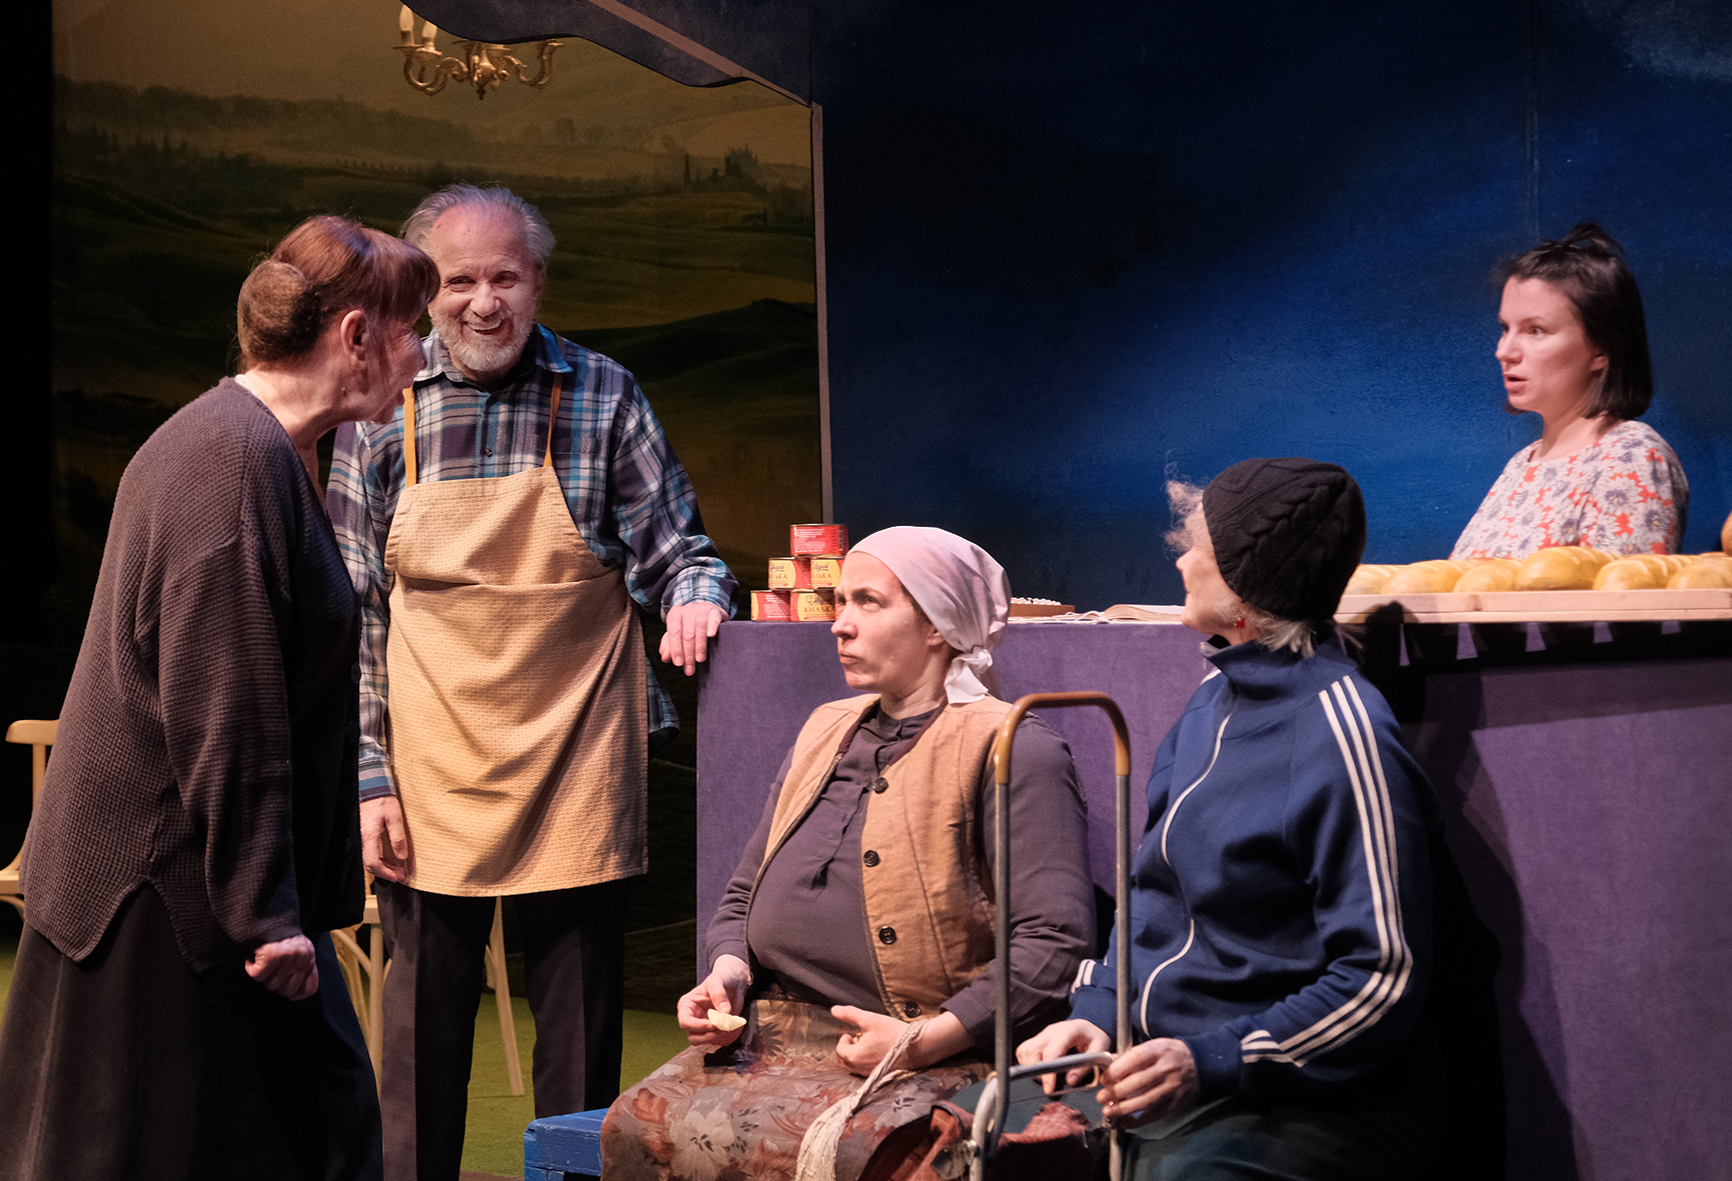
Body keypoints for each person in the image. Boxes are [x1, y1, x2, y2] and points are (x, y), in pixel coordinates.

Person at [0, 216, 438, 1180]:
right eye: (412, 331)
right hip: (161, 897)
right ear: (356, 335)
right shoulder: (229, 461)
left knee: (317, 1130)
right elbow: (225, 713)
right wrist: (266, 916)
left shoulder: (267, 448)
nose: (421, 356)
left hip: (208, 892)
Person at [327, 183, 737, 1180]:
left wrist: (694, 597)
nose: (484, 302)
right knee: (419, 1047)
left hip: (575, 760)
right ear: (424, 293)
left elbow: (681, 552)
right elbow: (352, 614)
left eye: (505, 278)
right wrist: (370, 777)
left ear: (539, 281)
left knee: (580, 1048)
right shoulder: (383, 407)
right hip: (431, 771)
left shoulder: (603, 394)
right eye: (459, 281)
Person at [600, 527, 1095, 1181]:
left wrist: (924, 1040)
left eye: (868, 602)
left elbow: (1053, 944)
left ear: (939, 624)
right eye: (840, 601)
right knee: (634, 1125)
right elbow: (744, 893)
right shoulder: (826, 726)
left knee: (874, 1157)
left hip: (929, 1048)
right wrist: (729, 972)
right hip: (774, 1035)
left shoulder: (1014, 748)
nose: (841, 623)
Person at [1018, 459, 1445, 1180]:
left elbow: (1381, 978)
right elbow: (1153, 894)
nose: (1181, 562)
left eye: (1200, 550)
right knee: (959, 1141)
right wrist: (1097, 1009)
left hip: (1301, 1095)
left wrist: (1213, 1057)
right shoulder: (1210, 702)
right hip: (1163, 1061)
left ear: (1248, 588)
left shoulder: (1346, 734)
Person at [1452, 222, 1688, 558]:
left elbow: (1623, 588)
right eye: (1505, 328)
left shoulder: (1630, 456)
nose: (1504, 351)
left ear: (1601, 348)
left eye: (1536, 330)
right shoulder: (1522, 464)